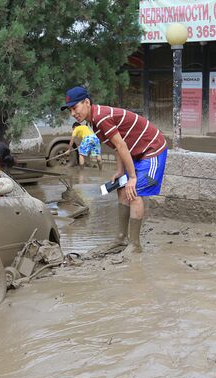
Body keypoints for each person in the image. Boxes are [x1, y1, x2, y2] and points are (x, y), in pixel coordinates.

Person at [61, 86, 168, 254]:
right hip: (136, 154)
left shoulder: (101, 117)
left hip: (152, 150)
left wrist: (132, 177)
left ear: (87, 102)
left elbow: (121, 144)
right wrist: (120, 171)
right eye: (70, 110)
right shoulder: (93, 121)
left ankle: (135, 245)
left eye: (75, 108)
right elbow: (118, 145)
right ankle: (121, 238)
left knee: (135, 191)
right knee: (120, 187)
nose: (73, 113)